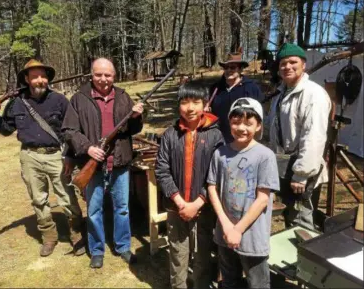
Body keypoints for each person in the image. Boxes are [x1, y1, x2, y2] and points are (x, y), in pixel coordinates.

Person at [0, 59, 85, 257]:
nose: (40, 80)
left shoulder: (59, 101)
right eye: (35, 76)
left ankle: (77, 233)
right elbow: (6, 129)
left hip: (57, 155)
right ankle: (49, 237)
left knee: (67, 197)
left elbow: (72, 130)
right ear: (26, 79)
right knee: (39, 200)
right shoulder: (16, 103)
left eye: (43, 76)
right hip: (29, 156)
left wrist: (70, 157)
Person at [62, 58, 143, 269]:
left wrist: (136, 117)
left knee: (122, 208)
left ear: (114, 76)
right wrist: (88, 147)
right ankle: (97, 249)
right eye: (99, 74)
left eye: (108, 75)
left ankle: (123, 246)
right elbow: (69, 131)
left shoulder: (124, 97)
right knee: (95, 209)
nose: (103, 79)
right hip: (92, 163)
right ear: (92, 75)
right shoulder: (79, 99)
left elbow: (133, 130)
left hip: (120, 162)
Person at [155, 81, 224, 289]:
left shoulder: (215, 135)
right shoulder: (169, 134)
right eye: (185, 102)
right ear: (179, 105)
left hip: (203, 208)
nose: (190, 108)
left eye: (196, 102)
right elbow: (161, 169)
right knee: (178, 252)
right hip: (175, 208)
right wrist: (179, 201)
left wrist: (198, 202)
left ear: (205, 104)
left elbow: (217, 174)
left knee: (202, 253)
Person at [207, 98, 280, 289]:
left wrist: (237, 230)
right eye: (236, 122)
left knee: (258, 283)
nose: (241, 128)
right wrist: (226, 225)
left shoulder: (265, 156)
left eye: (248, 123)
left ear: (258, 126)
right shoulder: (220, 154)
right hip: (225, 232)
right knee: (229, 279)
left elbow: (263, 199)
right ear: (229, 123)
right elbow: (212, 187)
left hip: (252, 236)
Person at [267, 43, 331, 229]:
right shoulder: (281, 95)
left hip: (300, 170)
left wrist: (301, 174)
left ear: (303, 64)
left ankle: (304, 258)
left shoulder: (313, 94)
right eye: (283, 64)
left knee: (301, 221)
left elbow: (314, 136)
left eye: (293, 62)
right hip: (284, 166)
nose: (287, 67)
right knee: (290, 218)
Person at [208, 51, 265, 143]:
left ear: (240, 69)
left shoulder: (251, 88)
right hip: (219, 139)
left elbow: (258, 116)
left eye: (233, 67)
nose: (228, 70)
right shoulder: (215, 88)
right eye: (226, 67)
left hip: (243, 138)